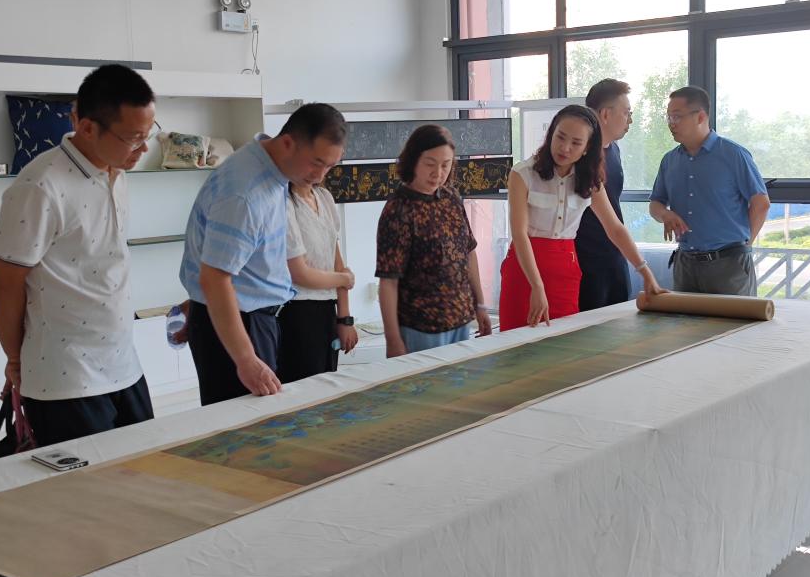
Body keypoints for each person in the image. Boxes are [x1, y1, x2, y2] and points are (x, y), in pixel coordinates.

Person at [0, 64, 157, 446]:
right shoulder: (39, 187)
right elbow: (4, 285)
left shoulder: (116, 171)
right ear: (86, 127)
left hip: (124, 364)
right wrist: (15, 360)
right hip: (66, 378)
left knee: (145, 471)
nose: (143, 149)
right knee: (89, 483)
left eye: (148, 135)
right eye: (133, 138)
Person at [180, 103, 346, 404]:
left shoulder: (269, 170)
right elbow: (215, 279)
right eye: (316, 163)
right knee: (246, 421)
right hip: (240, 325)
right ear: (288, 143)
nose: (319, 176)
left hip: (249, 318)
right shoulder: (247, 191)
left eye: (330, 167)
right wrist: (245, 358)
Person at [499, 104, 662, 332]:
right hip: (524, 269)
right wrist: (537, 285)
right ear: (551, 134)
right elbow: (519, 234)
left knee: (562, 341)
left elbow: (614, 228)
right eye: (560, 137)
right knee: (514, 341)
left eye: (576, 143)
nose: (565, 148)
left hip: (565, 270)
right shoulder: (522, 174)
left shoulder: (590, 180)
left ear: (587, 148)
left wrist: (645, 271)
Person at [376, 124, 492, 357]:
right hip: (420, 327)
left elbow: (469, 252)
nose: (438, 173)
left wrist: (480, 305)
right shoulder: (398, 209)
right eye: (430, 164)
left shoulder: (451, 198)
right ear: (413, 160)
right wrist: (393, 339)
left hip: (460, 319)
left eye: (445, 165)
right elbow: (388, 281)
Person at [649, 86, 771, 296]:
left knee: (734, 319)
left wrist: (743, 246)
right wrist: (665, 214)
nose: (671, 123)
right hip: (685, 264)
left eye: (677, 117)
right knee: (685, 318)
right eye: (668, 117)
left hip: (729, 265)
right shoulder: (670, 160)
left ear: (701, 117)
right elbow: (655, 203)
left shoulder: (733, 155)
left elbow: (761, 203)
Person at [277, 178, 359, 383]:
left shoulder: (324, 197)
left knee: (328, 383)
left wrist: (345, 319)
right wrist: (343, 278)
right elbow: (301, 274)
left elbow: (337, 261)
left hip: (327, 309)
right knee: (305, 386)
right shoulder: (284, 201)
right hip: (296, 310)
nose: (320, 171)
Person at [578, 78, 634, 311]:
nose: (630, 120)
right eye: (626, 113)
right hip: (586, 260)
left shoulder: (614, 149)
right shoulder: (581, 155)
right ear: (605, 114)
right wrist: (643, 268)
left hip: (614, 254)